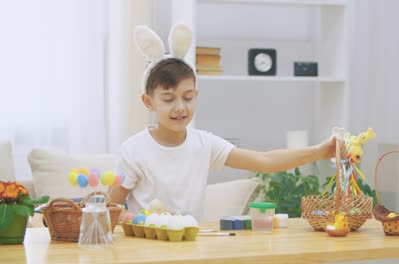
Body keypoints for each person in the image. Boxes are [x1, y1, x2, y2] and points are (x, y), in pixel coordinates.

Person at [108, 57, 346, 219]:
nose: (180, 107)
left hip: (192, 246)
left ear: (196, 95)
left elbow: (264, 161)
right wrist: (139, 220)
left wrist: (320, 151)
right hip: (146, 248)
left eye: (188, 97)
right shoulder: (133, 150)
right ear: (148, 102)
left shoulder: (204, 143)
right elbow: (111, 208)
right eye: (168, 99)